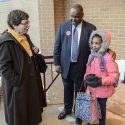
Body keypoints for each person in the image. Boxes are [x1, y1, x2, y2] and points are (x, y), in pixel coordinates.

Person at [0, 9, 46, 125]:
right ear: (14, 24)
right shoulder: (6, 41)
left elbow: (30, 55)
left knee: (31, 114)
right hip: (19, 87)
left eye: (28, 22)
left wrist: (36, 52)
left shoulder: (25, 37)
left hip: (31, 83)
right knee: (20, 117)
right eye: (25, 23)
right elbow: (4, 68)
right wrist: (17, 83)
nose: (28, 25)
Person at [53, 4, 96, 124]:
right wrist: (56, 63)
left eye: (76, 17)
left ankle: (79, 113)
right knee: (67, 89)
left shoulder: (91, 28)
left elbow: (95, 47)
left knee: (80, 91)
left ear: (82, 15)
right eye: (71, 16)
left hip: (81, 66)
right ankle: (67, 109)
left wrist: (108, 52)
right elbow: (57, 45)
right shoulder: (63, 26)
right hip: (66, 65)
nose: (73, 19)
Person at [84, 30, 119, 125]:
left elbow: (114, 77)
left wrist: (100, 81)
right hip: (92, 89)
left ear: (103, 44)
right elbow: (87, 71)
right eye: (92, 43)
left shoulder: (108, 58)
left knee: (101, 111)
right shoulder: (91, 56)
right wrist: (87, 77)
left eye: (97, 43)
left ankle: (101, 123)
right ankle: (92, 121)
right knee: (92, 107)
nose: (94, 45)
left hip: (102, 92)